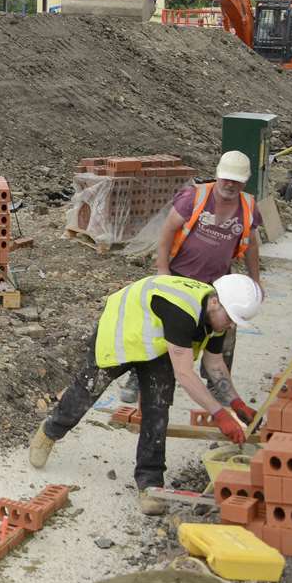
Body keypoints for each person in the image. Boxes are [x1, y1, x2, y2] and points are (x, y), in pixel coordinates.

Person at [30, 273, 263, 515]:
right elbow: (185, 374)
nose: (232, 324)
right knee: (89, 389)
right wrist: (219, 414)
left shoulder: (217, 317)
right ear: (215, 302)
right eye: (231, 318)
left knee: (158, 406)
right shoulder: (182, 311)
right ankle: (50, 431)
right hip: (123, 331)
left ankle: (151, 483)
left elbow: (215, 364)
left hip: (156, 342)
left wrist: (237, 403)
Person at [118, 150, 262, 404]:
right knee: (157, 329)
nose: (230, 184)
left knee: (224, 328)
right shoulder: (195, 197)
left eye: (236, 180)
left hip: (217, 284)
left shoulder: (248, 208)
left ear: (244, 182)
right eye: (226, 178)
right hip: (179, 277)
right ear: (218, 175)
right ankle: (137, 376)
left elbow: (251, 246)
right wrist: (162, 270)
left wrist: (255, 281)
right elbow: (167, 232)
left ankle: (217, 383)